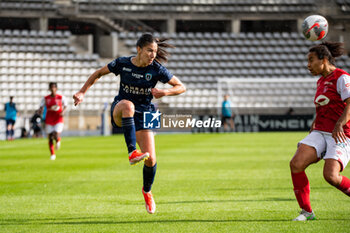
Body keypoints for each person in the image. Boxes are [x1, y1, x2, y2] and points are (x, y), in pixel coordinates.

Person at [73, 33, 186, 214]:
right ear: (139, 49)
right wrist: (82, 92)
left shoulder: (157, 69)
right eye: (149, 50)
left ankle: (147, 191)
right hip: (122, 108)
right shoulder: (123, 63)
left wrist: (165, 93)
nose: (153, 55)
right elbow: (98, 73)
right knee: (128, 105)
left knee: (152, 160)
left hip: (148, 112)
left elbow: (181, 87)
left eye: (155, 51)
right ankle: (132, 151)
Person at [290, 41, 350, 221]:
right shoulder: (321, 81)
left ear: (323, 60)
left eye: (311, 60)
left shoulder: (342, 78)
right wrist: (316, 121)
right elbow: (325, 105)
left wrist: (340, 123)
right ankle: (306, 212)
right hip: (320, 131)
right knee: (296, 164)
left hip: (340, 134)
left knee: (331, 176)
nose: (308, 65)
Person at [39, 82, 67, 160]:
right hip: (49, 119)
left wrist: (63, 111)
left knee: (55, 134)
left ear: (56, 88)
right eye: (51, 87)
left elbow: (66, 105)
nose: (53, 89)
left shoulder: (61, 97)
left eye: (54, 87)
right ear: (49, 89)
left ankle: (58, 140)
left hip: (58, 119)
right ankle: (52, 154)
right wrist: (40, 110)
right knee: (50, 137)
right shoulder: (45, 98)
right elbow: (41, 106)